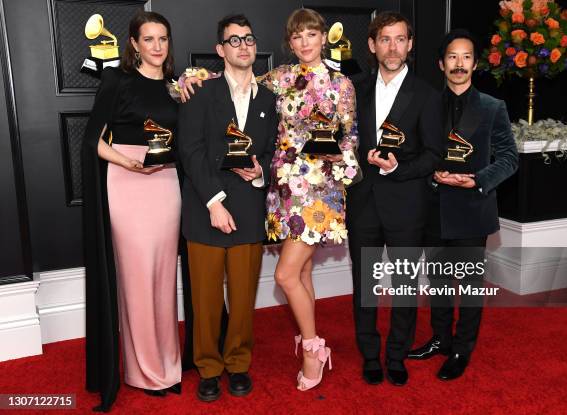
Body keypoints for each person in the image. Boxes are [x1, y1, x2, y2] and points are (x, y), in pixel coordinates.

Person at [179, 8, 359, 391]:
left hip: (319, 193)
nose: (305, 42)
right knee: (304, 273)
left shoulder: (342, 85)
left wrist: (339, 156)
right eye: (297, 36)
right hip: (282, 192)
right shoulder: (280, 78)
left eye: (312, 34)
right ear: (290, 43)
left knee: (284, 275)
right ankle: (308, 345)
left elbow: (351, 141)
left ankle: (313, 350)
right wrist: (191, 78)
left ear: (324, 37)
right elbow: (236, 78)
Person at [81, 11, 182, 412]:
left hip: (166, 183)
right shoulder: (117, 81)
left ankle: (169, 365)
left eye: (163, 39)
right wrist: (128, 163)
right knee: (138, 278)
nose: (157, 46)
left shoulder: (177, 88)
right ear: (134, 44)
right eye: (149, 39)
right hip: (128, 182)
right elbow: (94, 140)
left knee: (162, 276)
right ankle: (143, 372)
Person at [406, 29, 518, 380]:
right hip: (434, 207)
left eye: (466, 57)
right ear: (441, 63)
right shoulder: (424, 104)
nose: (459, 64)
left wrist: (478, 179)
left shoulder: (492, 107)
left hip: (472, 208)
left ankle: (461, 348)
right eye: (452, 57)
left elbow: (510, 158)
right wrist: (429, 176)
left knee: (468, 286)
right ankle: (440, 338)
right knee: (438, 283)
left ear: (475, 63)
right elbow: (416, 154)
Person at [177, 14, 277, 402]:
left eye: (248, 39)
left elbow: (271, 153)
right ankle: (208, 367)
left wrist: (258, 171)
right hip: (206, 210)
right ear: (220, 50)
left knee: (242, 297)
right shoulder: (199, 92)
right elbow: (191, 150)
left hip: (249, 210)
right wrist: (215, 203)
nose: (242, 46)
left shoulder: (269, 99)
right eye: (233, 41)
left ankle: (237, 363)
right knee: (204, 299)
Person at [347, 11, 444, 387]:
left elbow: (434, 154)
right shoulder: (353, 89)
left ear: (410, 44)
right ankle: (370, 354)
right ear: (372, 45)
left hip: (407, 203)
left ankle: (396, 354)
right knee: (365, 284)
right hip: (364, 202)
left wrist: (394, 169)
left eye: (400, 39)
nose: (393, 47)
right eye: (385, 39)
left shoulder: (427, 95)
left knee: (404, 284)